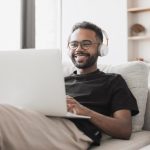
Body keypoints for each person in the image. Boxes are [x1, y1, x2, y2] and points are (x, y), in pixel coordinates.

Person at [0, 21, 139, 150]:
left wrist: (84, 111)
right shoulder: (58, 81)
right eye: (74, 44)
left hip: (76, 130)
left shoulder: (113, 81)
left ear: (101, 49)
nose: (79, 49)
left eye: (86, 43)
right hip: (40, 121)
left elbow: (124, 129)